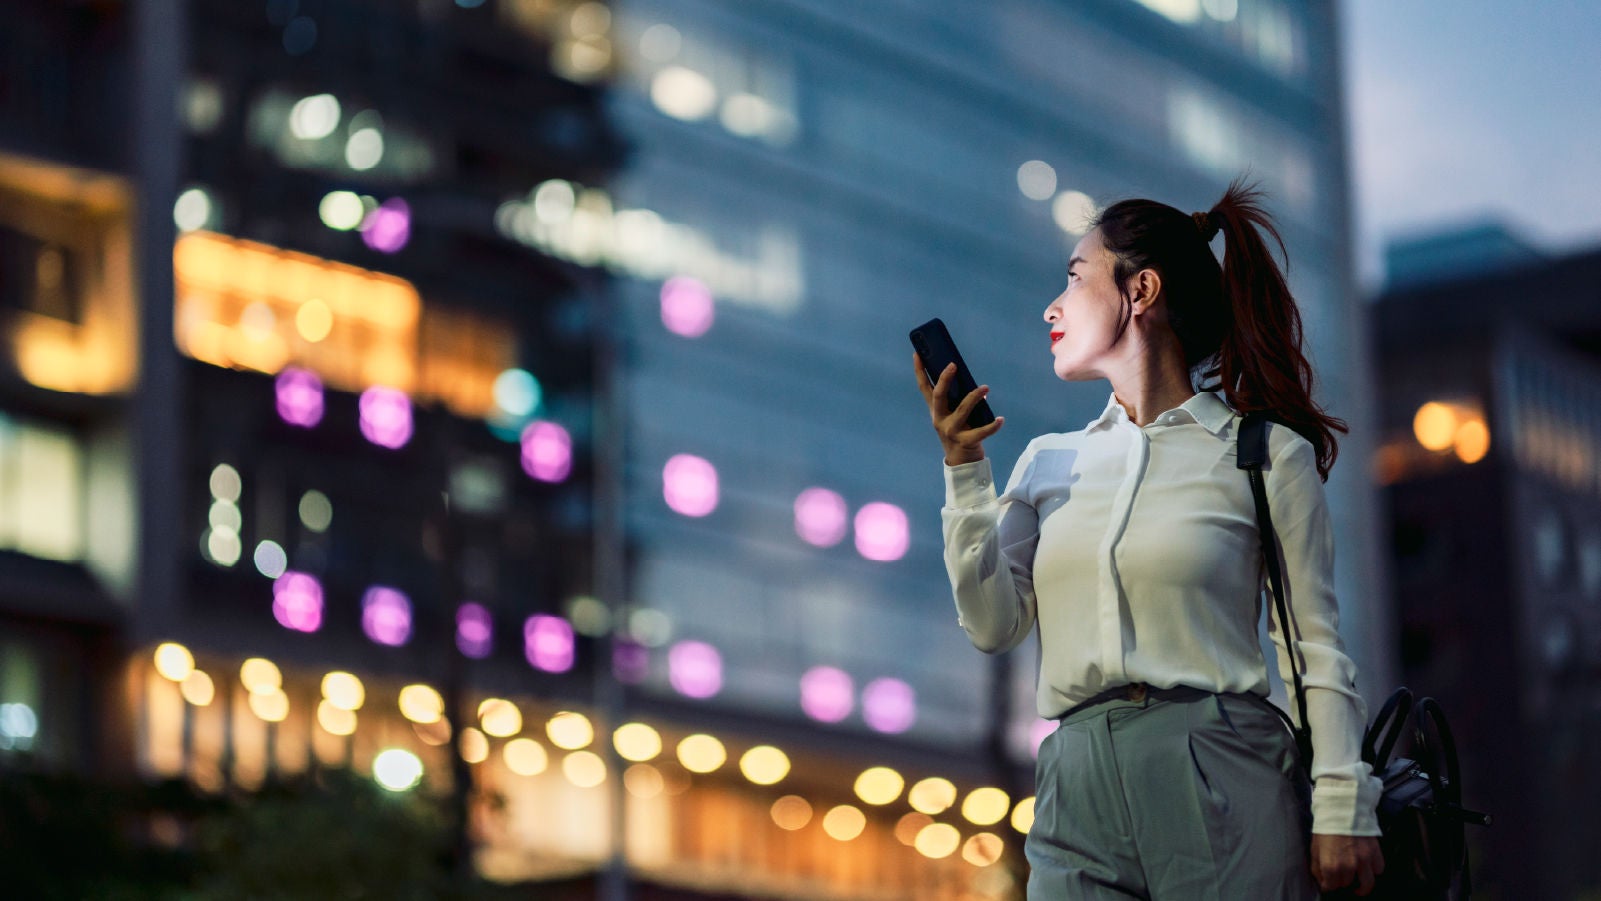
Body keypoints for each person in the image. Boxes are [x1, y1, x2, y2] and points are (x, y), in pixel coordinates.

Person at [914, 179, 1385, 899]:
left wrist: (1341, 805)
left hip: (1219, 761)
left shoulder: (1261, 454)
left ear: (1141, 289)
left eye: (1074, 278)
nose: (1051, 305)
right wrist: (965, 471)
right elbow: (990, 624)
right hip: (1073, 780)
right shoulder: (1048, 461)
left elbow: (1312, 646)